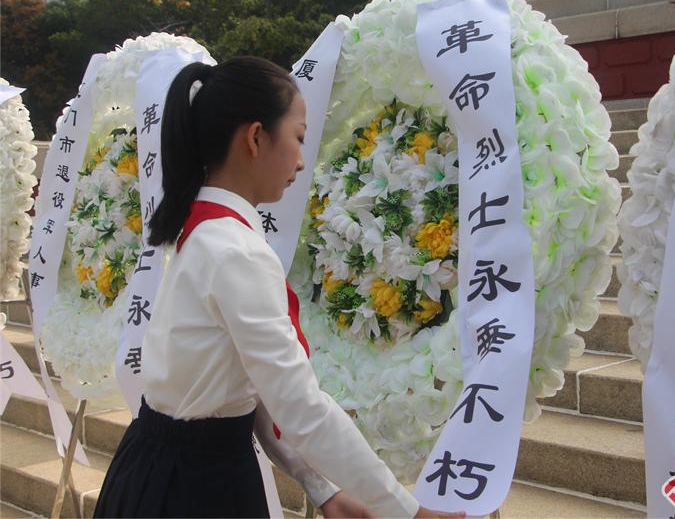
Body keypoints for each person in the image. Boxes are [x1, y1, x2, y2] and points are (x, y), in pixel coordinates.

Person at [93, 56, 465, 519]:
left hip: (159, 472)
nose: (301, 160)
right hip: (198, 489)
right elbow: (301, 409)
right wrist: (407, 512)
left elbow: (248, 392)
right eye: (298, 137)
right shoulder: (235, 251)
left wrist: (322, 487)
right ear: (255, 138)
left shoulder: (206, 232)